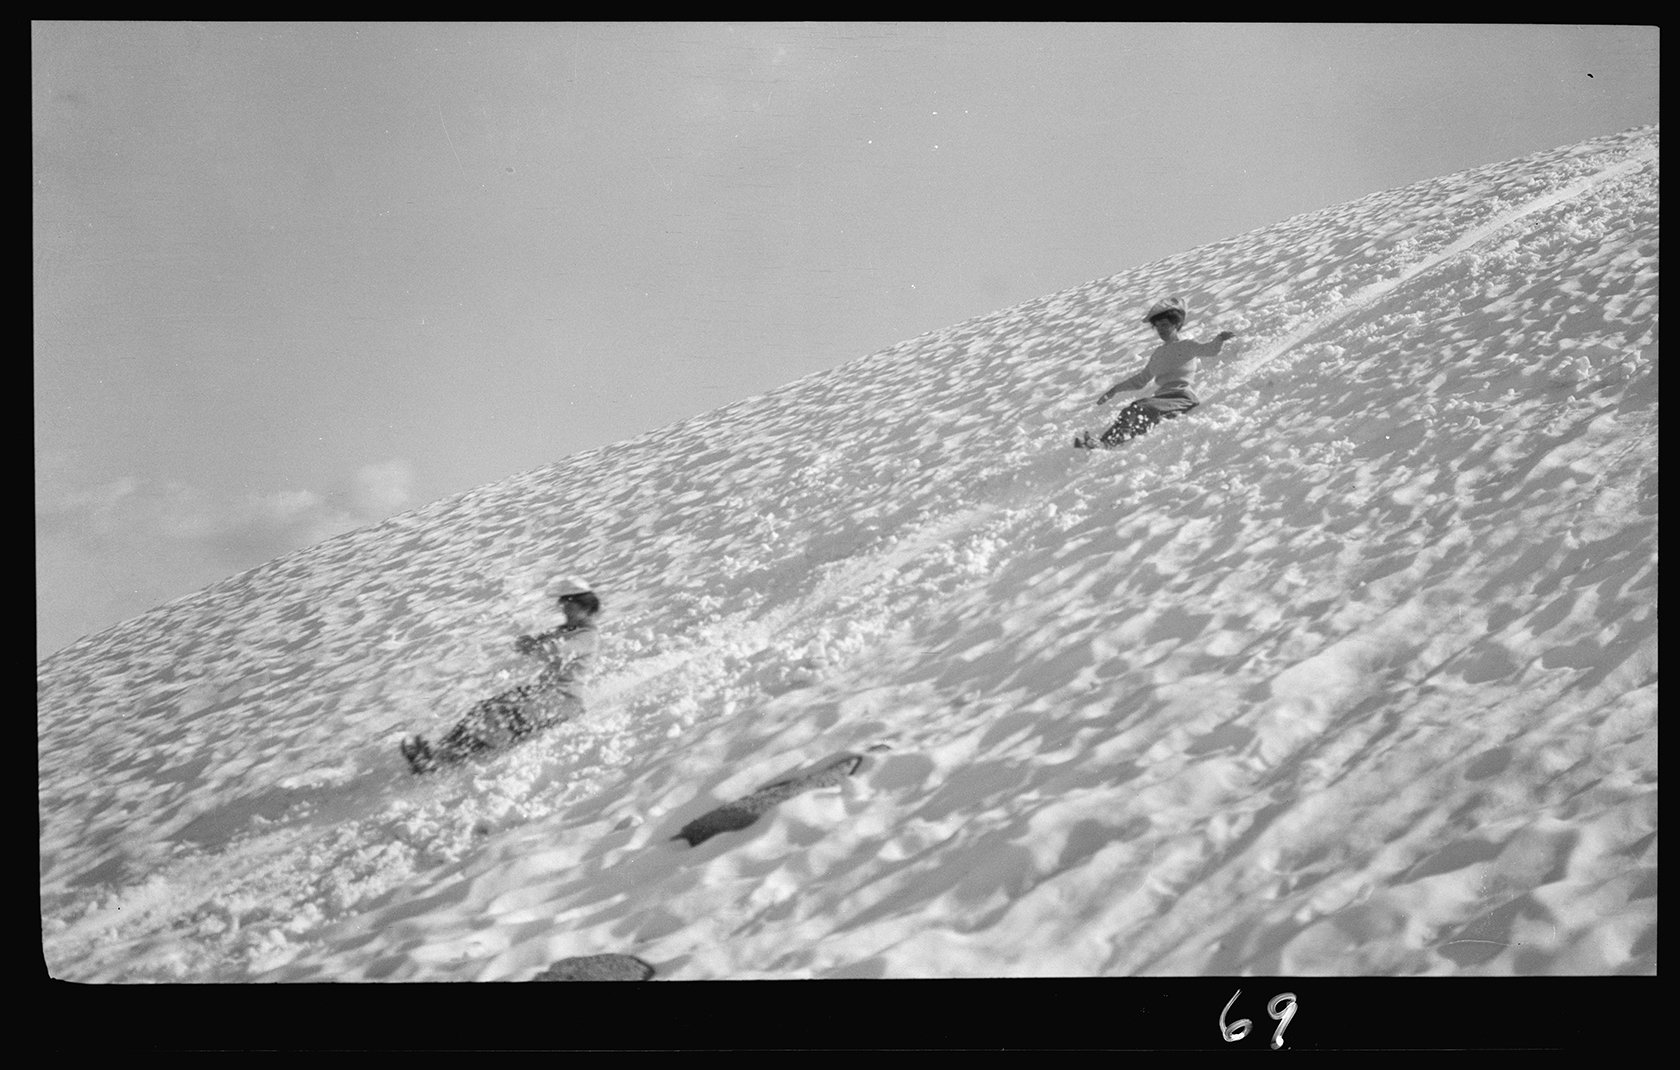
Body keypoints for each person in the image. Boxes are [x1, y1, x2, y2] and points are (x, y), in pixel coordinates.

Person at [400, 578, 602, 774]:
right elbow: (545, 643)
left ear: (585, 606)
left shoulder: (587, 635)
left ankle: (446, 761)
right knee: (483, 708)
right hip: (545, 693)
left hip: (564, 701)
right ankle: (438, 751)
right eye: (563, 604)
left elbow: (557, 650)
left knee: (500, 716)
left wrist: (536, 646)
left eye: (569, 605)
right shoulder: (568, 629)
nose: (564, 609)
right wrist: (529, 642)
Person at [1074, 297, 1236, 448]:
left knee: (1140, 407)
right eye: (1157, 326)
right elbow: (1141, 379)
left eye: (1165, 325)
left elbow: (1208, 350)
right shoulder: (1158, 353)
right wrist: (1115, 389)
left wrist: (1219, 339)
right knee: (1134, 409)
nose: (1161, 330)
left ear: (1175, 324)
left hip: (1182, 397)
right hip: (1162, 399)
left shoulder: (1186, 346)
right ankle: (1102, 442)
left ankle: (1105, 444)